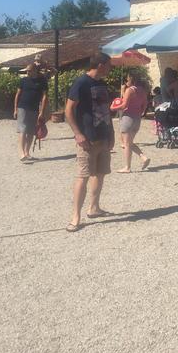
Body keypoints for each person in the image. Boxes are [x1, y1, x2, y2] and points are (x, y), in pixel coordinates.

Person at [65, 53, 115, 232]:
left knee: (100, 174)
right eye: (109, 65)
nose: (111, 68)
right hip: (87, 138)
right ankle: (75, 216)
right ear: (100, 65)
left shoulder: (102, 84)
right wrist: (77, 133)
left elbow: (105, 111)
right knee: (83, 176)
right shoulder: (81, 83)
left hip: (103, 136)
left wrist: (112, 133)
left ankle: (94, 207)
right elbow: (68, 110)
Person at [13, 62, 48, 162]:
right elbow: (17, 95)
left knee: (31, 131)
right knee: (23, 129)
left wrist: (42, 112)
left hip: (34, 108)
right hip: (22, 107)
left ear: (35, 70)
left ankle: (27, 152)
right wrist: (15, 109)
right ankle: (21, 153)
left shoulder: (42, 81)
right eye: (26, 71)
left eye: (29, 71)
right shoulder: (23, 80)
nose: (27, 73)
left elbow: (45, 97)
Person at [116, 71, 151, 173]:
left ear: (131, 79)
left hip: (128, 117)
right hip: (137, 118)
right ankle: (143, 157)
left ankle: (127, 167)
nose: (126, 81)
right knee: (129, 142)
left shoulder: (130, 90)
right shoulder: (142, 90)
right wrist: (141, 112)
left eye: (127, 79)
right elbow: (145, 104)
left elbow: (124, 105)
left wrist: (112, 108)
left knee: (126, 144)